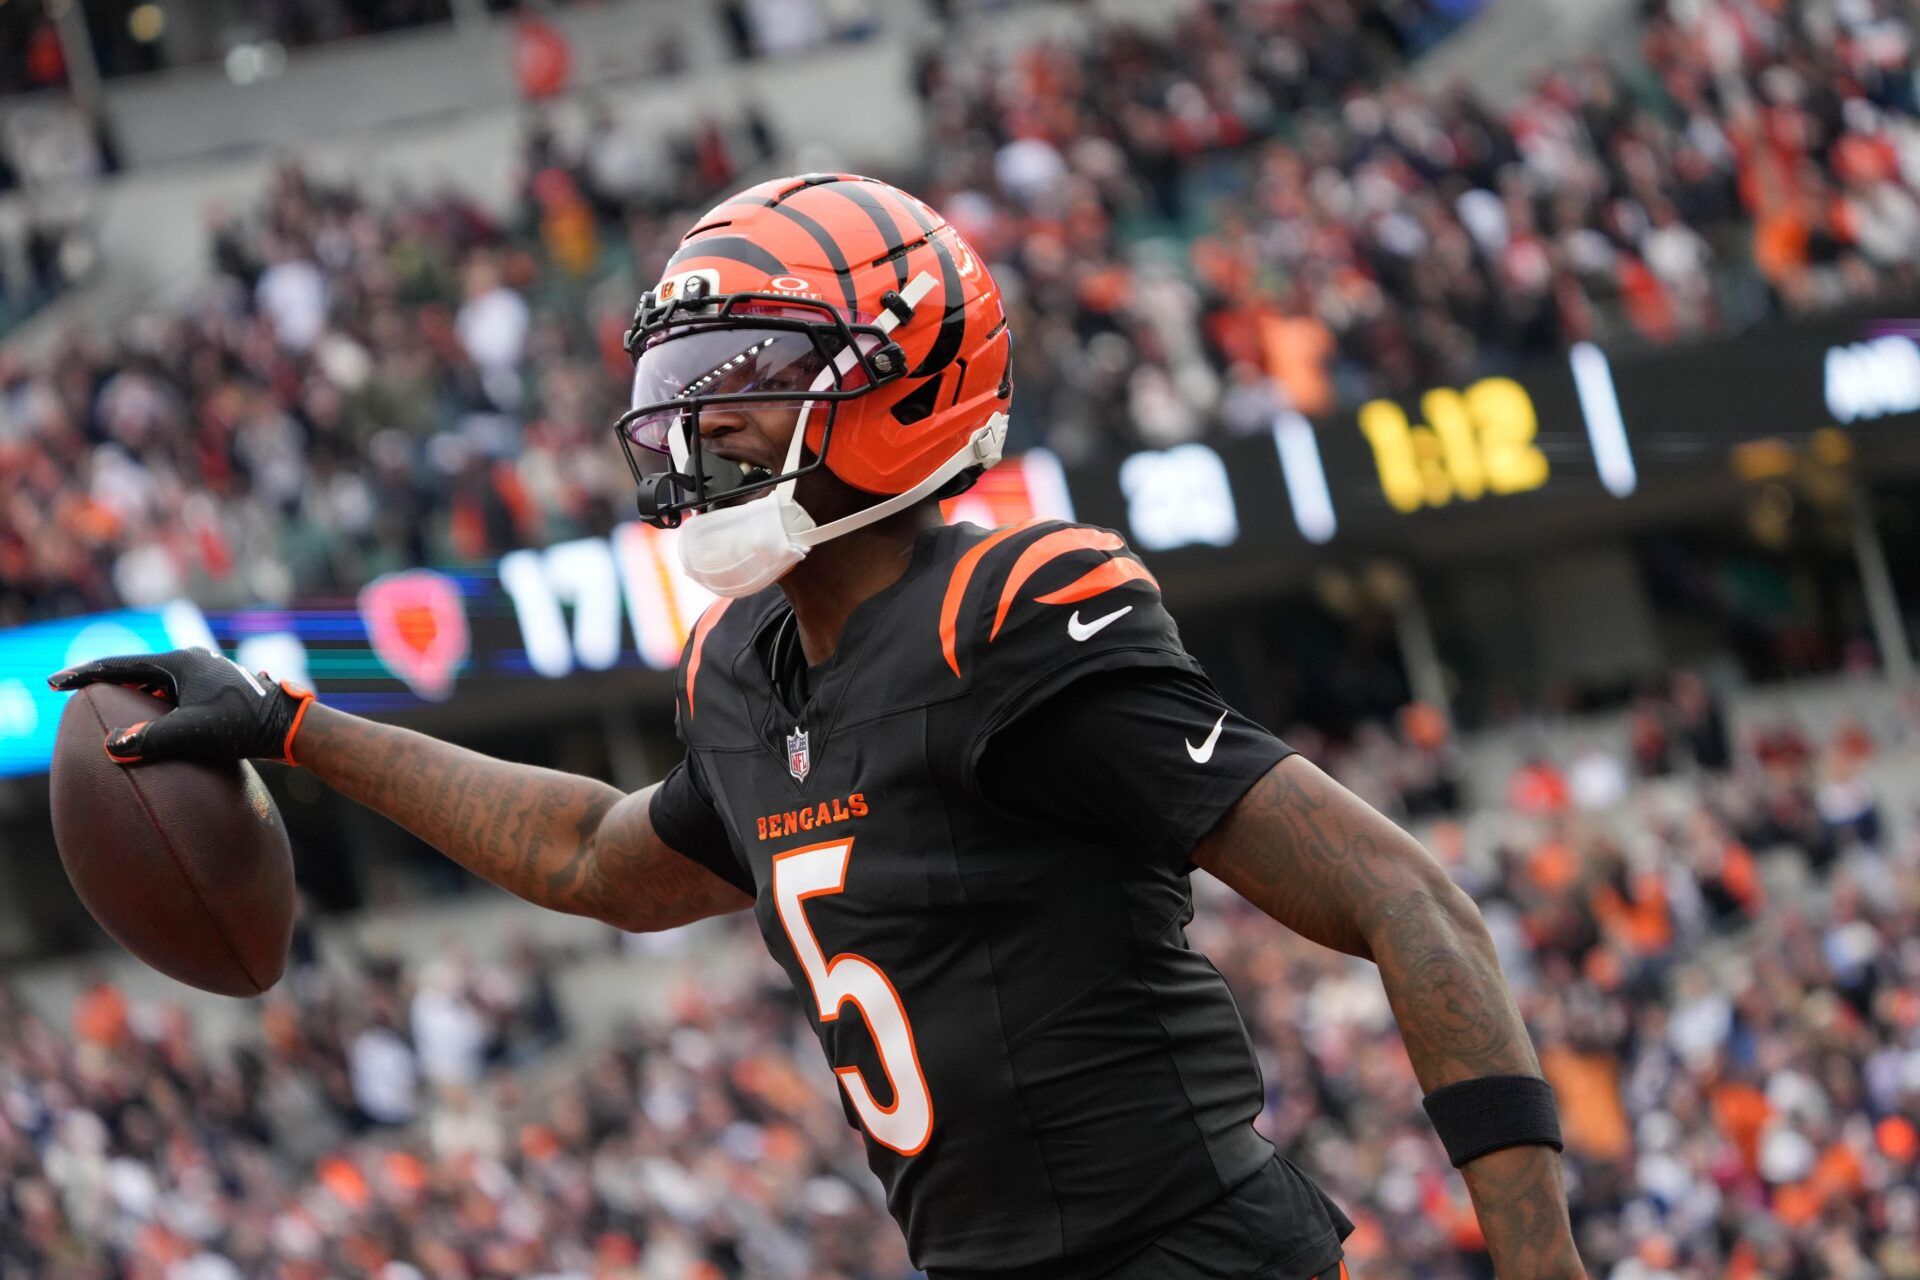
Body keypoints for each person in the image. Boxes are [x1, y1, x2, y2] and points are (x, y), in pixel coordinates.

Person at [50, 174, 1583, 1280]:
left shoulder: (1013, 614)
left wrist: (1537, 1260)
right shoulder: (741, 668)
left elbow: (1405, 897)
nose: (693, 426)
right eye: (684, 386)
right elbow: (595, 853)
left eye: (747, 386)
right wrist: (292, 723)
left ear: (899, 385)